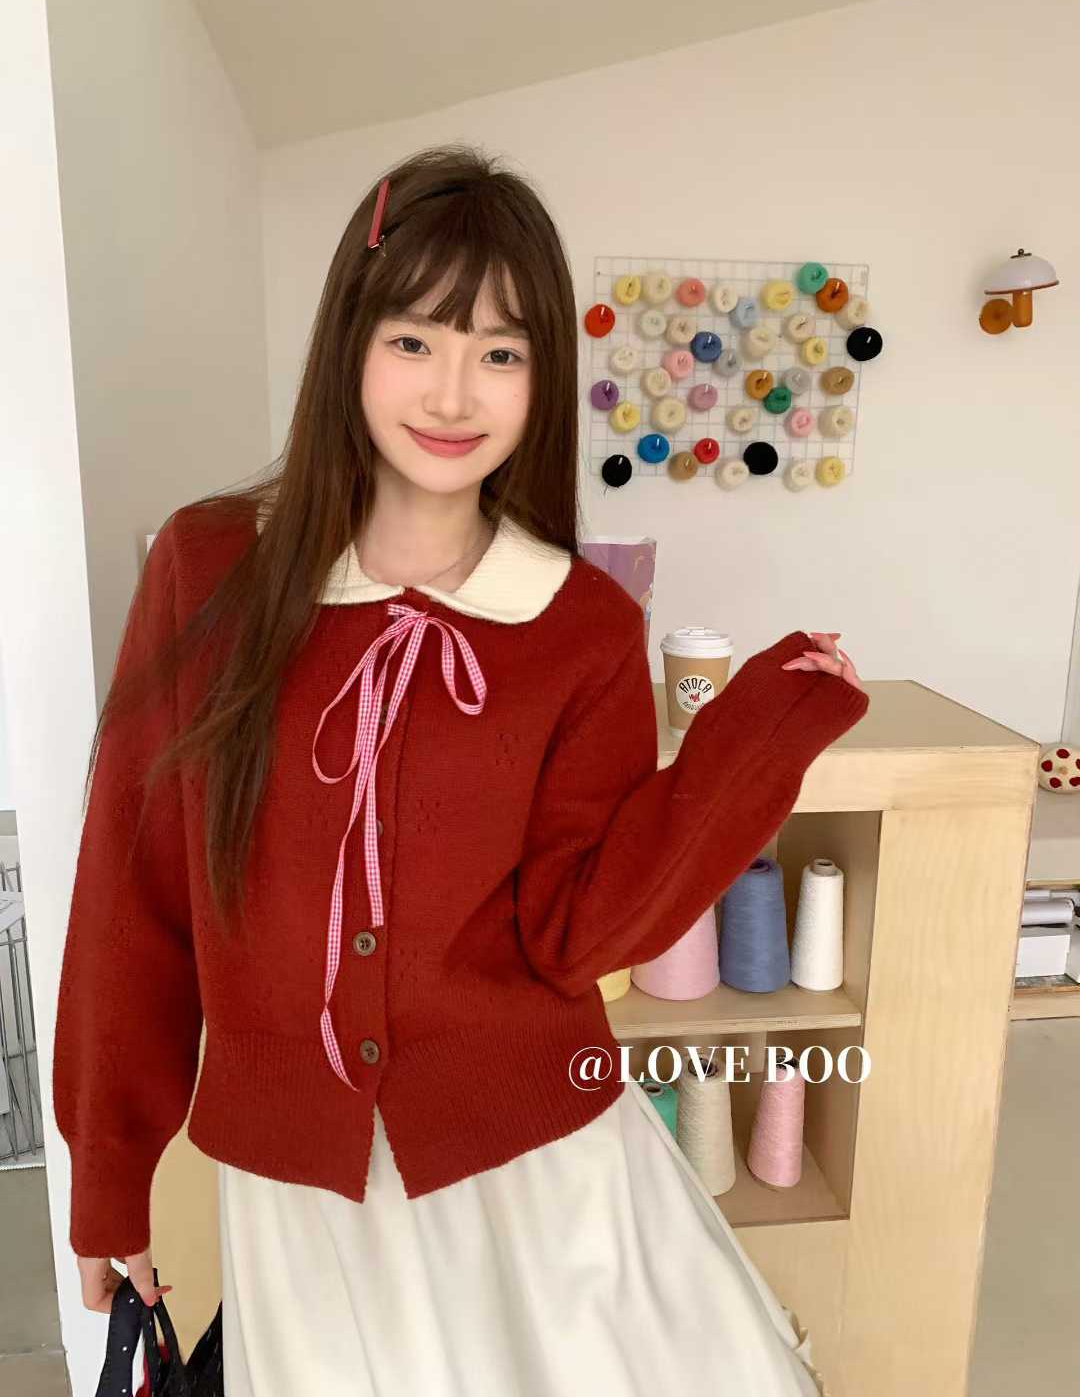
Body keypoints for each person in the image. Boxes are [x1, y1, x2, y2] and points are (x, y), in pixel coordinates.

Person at [54, 143, 868, 1396]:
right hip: (305, 1201)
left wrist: (757, 735)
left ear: (544, 379)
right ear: (350, 343)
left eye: (501, 353)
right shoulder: (211, 571)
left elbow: (577, 931)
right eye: (414, 339)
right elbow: (134, 892)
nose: (452, 392)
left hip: (538, 1174)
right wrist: (110, 1177)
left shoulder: (583, 624)